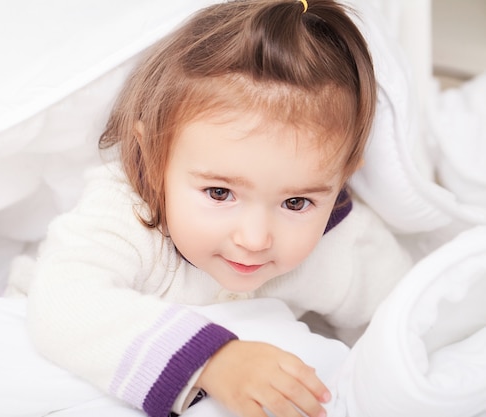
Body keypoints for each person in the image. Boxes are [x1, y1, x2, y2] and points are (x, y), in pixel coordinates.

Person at [24, 1, 413, 417]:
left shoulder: (343, 243)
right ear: (154, 158)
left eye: (296, 202)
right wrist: (213, 361)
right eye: (219, 193)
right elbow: (61, 303)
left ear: (341, 181)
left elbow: (407, 325)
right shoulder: (124, 211)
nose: (254, 239)